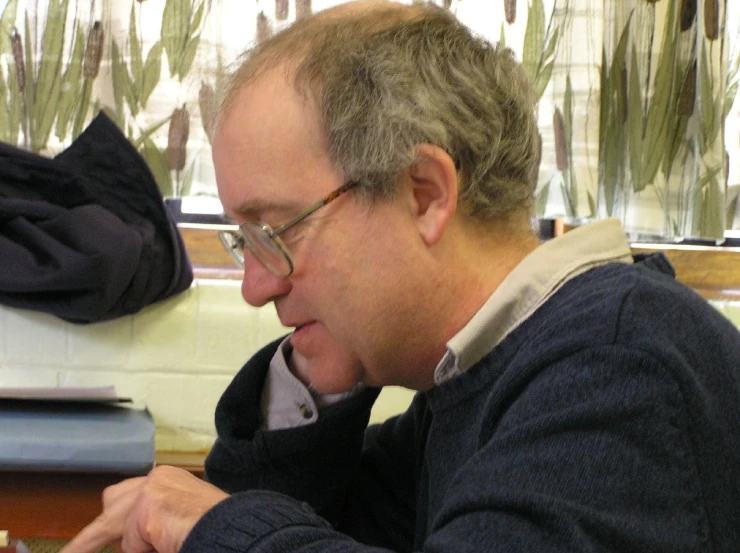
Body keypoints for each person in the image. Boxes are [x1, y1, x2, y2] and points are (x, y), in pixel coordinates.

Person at [61, 2, 740, 552]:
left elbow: (240, 521)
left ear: (423, 193)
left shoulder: (619, 365)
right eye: (247, 244)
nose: (255, 286)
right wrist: (316, 372)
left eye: (276, 231)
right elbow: (295, 511)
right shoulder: (478, 381)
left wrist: (213, 528)